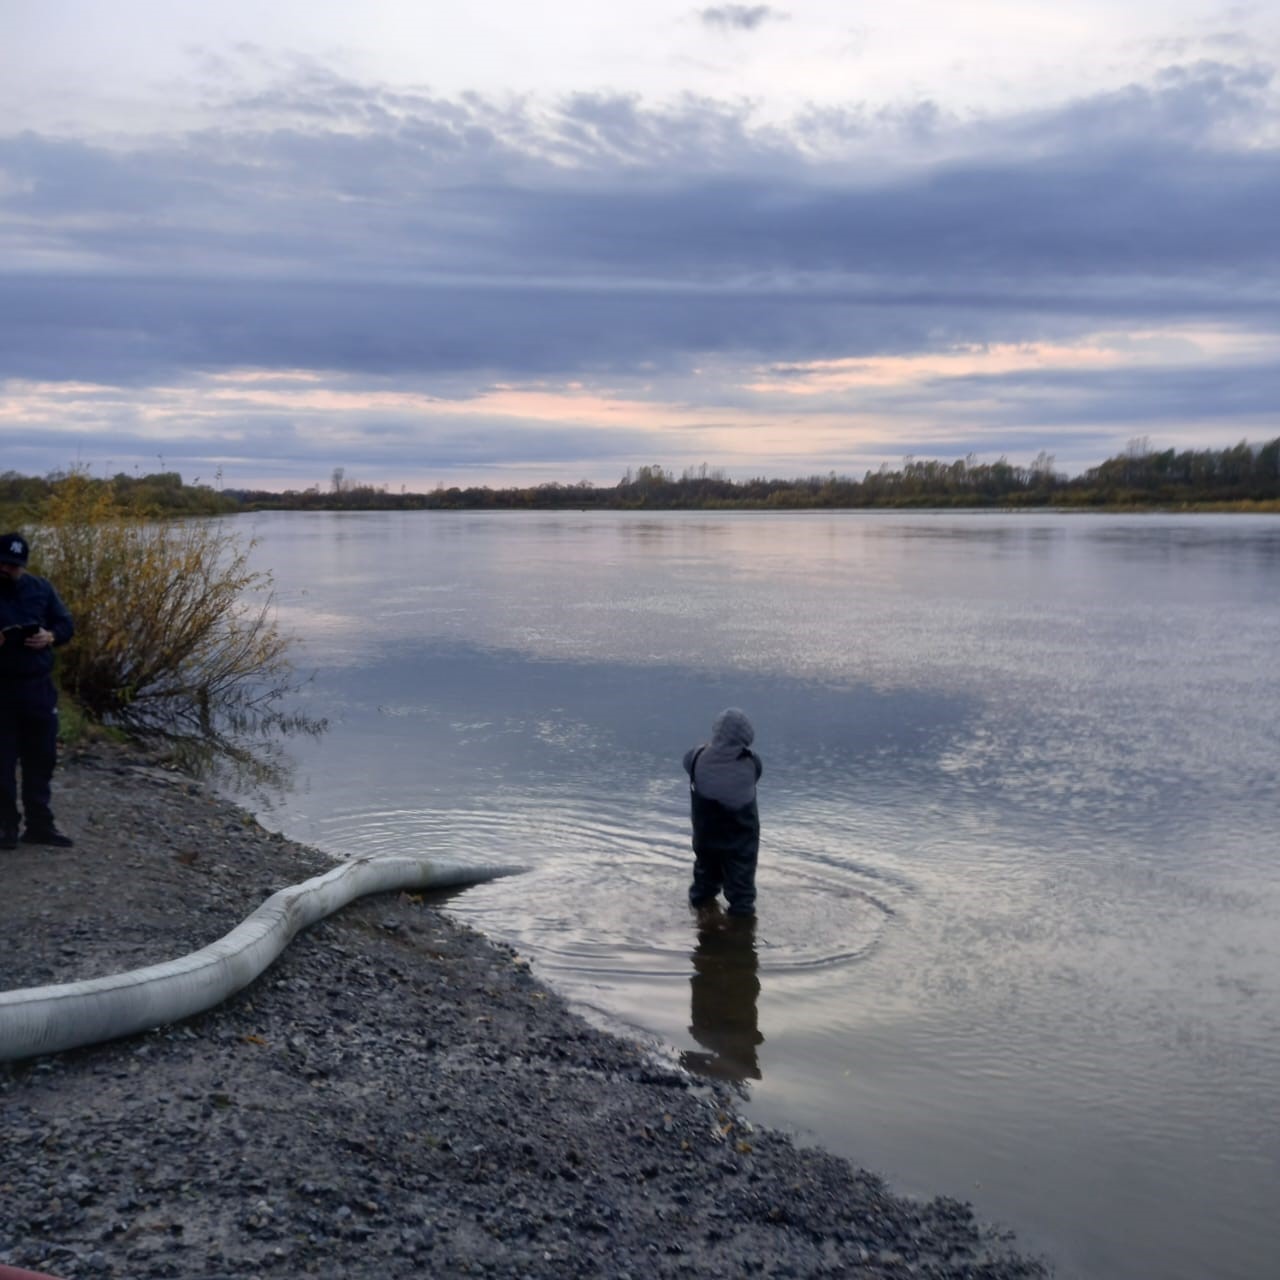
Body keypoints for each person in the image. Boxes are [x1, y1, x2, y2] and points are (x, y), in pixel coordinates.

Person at [0, 532, 75, 849]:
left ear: (23, 565)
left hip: (38, 688)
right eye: (2, 563)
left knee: (41, 760)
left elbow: (66, 625)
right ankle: (6, 828)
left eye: (14, 566)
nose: (8, 570)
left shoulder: (41, 589)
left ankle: (40, 826)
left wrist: (49, 636)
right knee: (1, 766)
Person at [683, 707, 763, 917]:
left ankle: (704, 928)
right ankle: (741, 939)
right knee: (742, 894)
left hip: (706, 837)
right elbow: (755, 778)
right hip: (741, 841)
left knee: (704, 885)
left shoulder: (696, 756)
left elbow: (687, 765)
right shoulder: (752, 762)